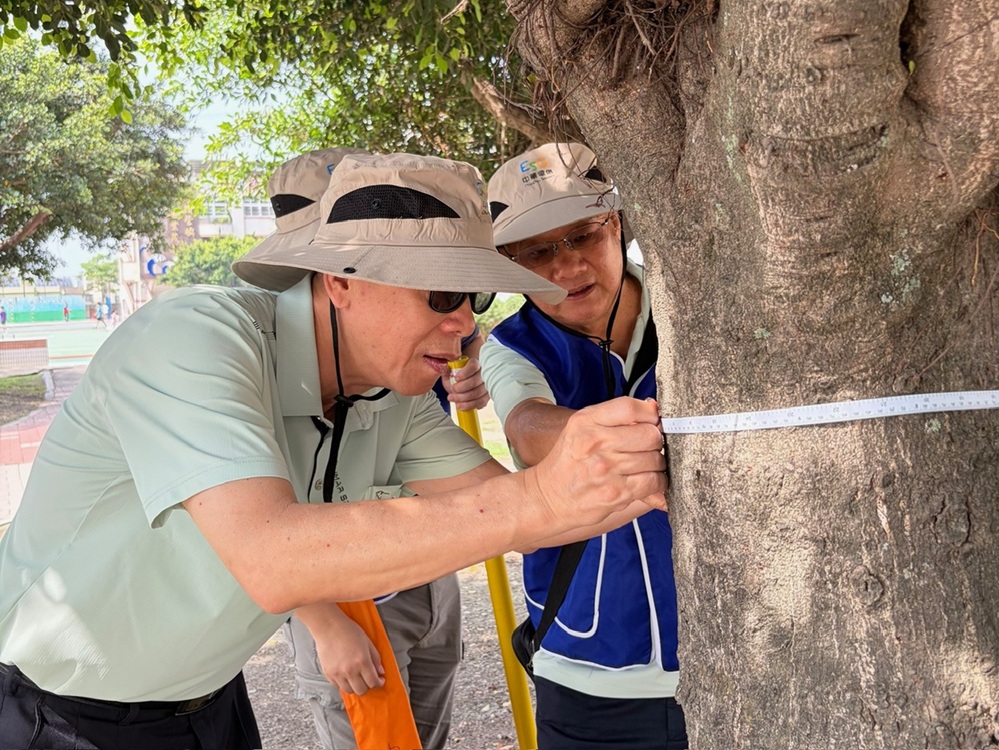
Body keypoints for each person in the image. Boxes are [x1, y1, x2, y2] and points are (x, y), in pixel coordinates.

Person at [0, 150, 667, 750]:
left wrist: (636, 471)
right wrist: (545, 493)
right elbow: (275, 561)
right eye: (441, 293)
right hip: (54, 714)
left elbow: (502, 511)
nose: (464, 321)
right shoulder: (192, 340)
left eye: (474, 295)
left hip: (209, 701)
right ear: (343, 281)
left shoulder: (391, 396)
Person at [265, 150, 483, 750]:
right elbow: (260, 534)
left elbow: (480, 486)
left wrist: (454, 353)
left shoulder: (395, 364)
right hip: (345, 593)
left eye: (464, 294)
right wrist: (324, 622)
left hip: (424, 567)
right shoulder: (253, 364)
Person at [481, 142, 687, 749]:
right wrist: (621, 439)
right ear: (507, 263)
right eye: (538, 251)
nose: (567, 267)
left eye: (583, 236)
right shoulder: (511, 346)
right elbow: (525, 425)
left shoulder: (692, 311)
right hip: (588, 677)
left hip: (731, 650)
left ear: (618, 225)